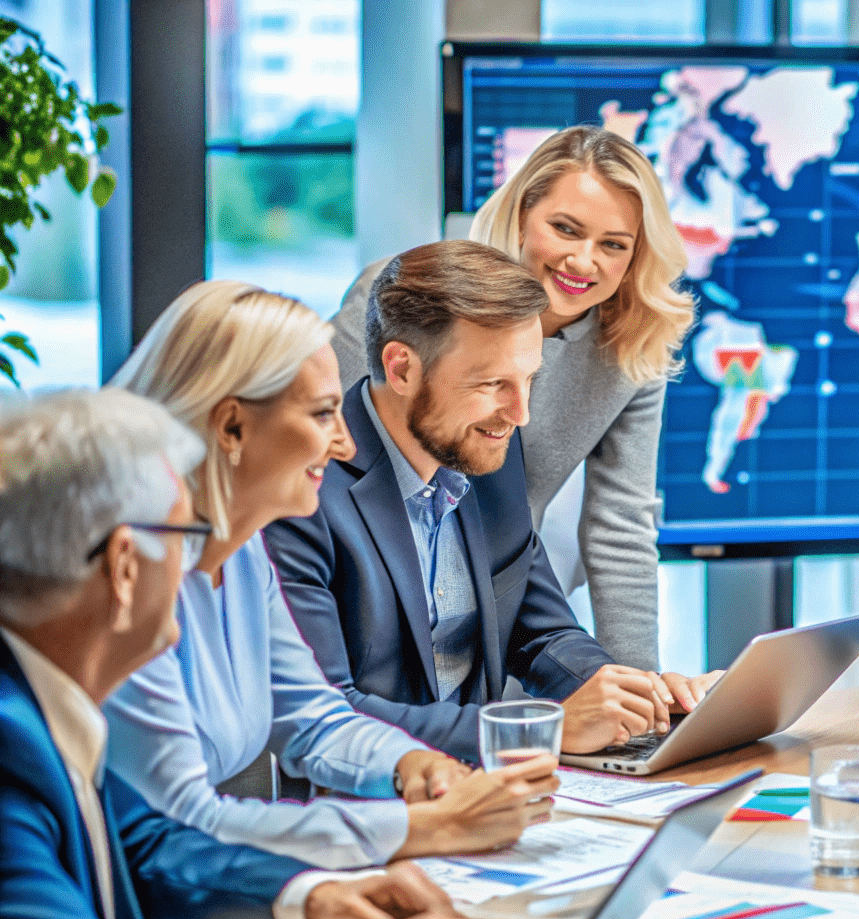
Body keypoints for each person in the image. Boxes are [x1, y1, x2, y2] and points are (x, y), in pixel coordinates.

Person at [0, 388, 503, 919]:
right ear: (125, 567)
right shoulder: (10, 745)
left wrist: (314, 894)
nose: (200, 558)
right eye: (183, 534)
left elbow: (150, 847)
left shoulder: (36, 705)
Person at [104, 281, 560, 868]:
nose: (345, 441)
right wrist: (418, 827)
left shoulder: (241, 556)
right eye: (324, 414)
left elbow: (315, 718)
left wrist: (410, 766)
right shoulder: (127, 577)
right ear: (231, 428)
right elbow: (180, 821)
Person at [267, 240, 712, 762]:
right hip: (370, 802)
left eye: (527, 380)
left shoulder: (484, 452)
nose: (519, 414)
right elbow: (326, 713)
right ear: (402, 369)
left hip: (489, 790)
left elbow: (541, 631)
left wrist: (636, 696)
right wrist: (538, 729)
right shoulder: (301, 493)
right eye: (492, 384)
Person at [329, 125, 692, 672]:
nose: (583, 261)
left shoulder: (632, 346)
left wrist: (641, 702)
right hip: (366, 612)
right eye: (565, 229)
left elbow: (621, 530)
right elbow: (312, 450)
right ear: (521, 213)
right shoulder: (407, 298)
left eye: (613, 244)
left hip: (503, 614)